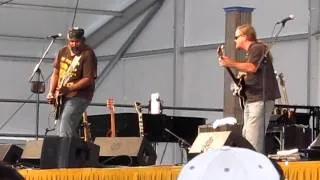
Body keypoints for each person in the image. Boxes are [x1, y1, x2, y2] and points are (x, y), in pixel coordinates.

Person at [218, 24, 280, 153]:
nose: (234, 40)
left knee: (252, 142)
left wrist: (230, 63)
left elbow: (252, 67)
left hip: (259, 99)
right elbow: (253, 72)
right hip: (252, 100)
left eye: (236, 37)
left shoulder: (257, 48)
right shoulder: (252, 51)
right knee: (247, 138)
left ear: (245, 37)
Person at [47, 27, 97, 137]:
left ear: (83, 40)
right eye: (71, 41)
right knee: (62, 129)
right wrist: (51, 92)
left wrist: (68, 89)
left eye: (77, 41)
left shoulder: (88, 54)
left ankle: (64, 153)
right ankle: (76, 152)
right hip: (62, 96)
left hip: (79, 96)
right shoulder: (62, 51)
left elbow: (88, 79)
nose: (74, 44)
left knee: (65, 124)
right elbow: (55, 73)